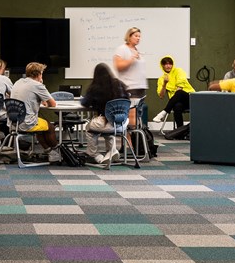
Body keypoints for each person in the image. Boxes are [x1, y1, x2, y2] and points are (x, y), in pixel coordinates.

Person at [112, 27, 156, 157]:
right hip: (129, 88)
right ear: (129, 36)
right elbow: (119, 67)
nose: (138, 38)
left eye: (139, 36)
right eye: (136, 36)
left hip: (140, 89)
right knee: (130, 122)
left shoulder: (136, 50)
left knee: (136, 121)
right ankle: (128, 146)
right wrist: (131, 58)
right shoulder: (122, 49)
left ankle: (134, 146)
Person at [81, 62, 134, 164]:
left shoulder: (95, 88)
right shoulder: (119, 84)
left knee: (89, 128)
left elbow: (85, 103)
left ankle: (93, 154)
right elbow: (127, 99)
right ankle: (111, 151)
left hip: (106, 123)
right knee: (106, 129)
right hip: (122, 123)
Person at [10, 61, 59, 154]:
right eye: (42, 73)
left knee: (42, 124)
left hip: (14, 122)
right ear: (39, 74)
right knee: (50, 127)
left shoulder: (18, 82)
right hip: (27, 123)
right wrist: (41, 85)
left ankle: (48, 150)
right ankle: (56, 150)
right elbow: (53, 104)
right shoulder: (37, 85)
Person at [156, 55, 194, 137]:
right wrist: (164, 84)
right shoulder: (161, 79)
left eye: (170, 64)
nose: (168, 66)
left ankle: (164, 112)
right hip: (178, 101)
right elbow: (161, 95)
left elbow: (180, 86)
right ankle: (180, 132)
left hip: (190, 98)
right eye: (166, 64)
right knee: (177, 106)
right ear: (162, 66)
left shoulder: (178, 71)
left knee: (179, 92)